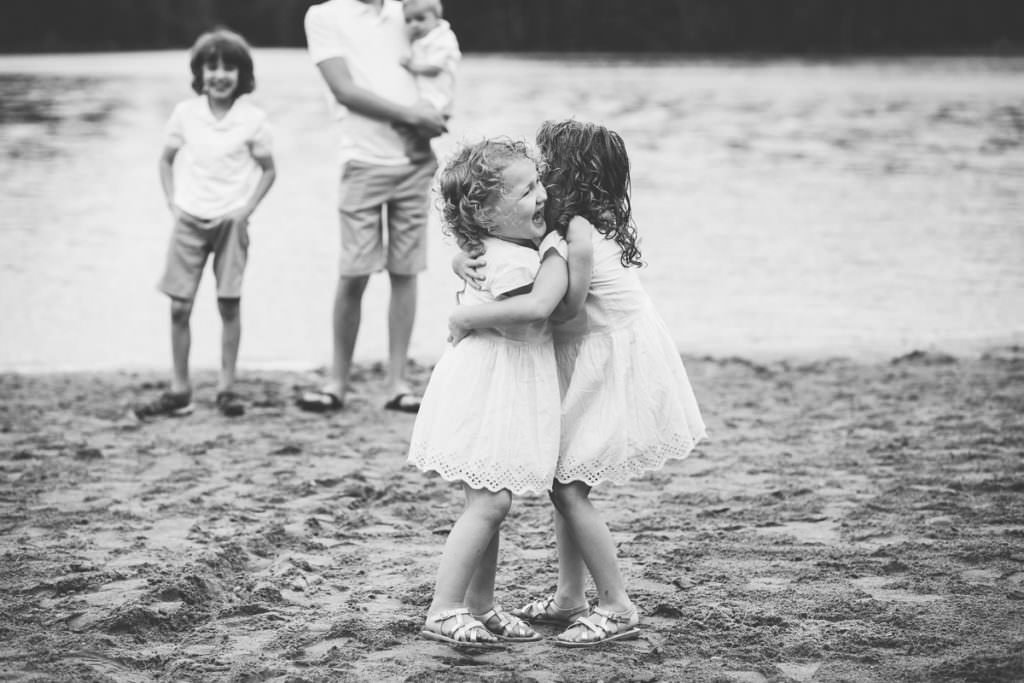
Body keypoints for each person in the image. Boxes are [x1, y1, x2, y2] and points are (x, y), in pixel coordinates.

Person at [449, 119, 707, 647]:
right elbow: (502, 253)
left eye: (546, 171)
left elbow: (569, 317)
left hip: (610, 360)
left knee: (568, 487)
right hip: (594, 357)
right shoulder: (571, 226)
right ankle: (571, 597)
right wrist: (463, 257)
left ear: (571, 175)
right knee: (565, 477)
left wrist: (472, 318)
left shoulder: (577, 236)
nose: (540, 183)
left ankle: (616, 605)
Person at [409, 138, 588, 648]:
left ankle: (480, 605)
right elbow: (532, 319)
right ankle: (444, 608)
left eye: (539, 184)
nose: (543, 195)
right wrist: (558, 256)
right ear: (485, 213)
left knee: (489, 496)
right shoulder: (517, 262)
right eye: (529, 189)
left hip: (487, 385)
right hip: (491, 389)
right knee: (489, 502)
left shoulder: (499, 250)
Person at [298, 0, 448, 415]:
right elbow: (344, 91)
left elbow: (443, 49)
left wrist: (438, 109)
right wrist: (413, 117)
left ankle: (398, 383)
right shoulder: (325, 15)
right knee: (354, 273)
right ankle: (338, 382)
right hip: (362, 162)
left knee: (406, 271)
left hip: (415, 163)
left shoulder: (408, 10)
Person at [134, 28, 276, 419]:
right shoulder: (185, 114)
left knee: (228, 304)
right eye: (211, 66)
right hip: (189, 220)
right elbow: (165, 159)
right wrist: (172, 203)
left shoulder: (254, 120)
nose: (219, 75)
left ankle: (227, 388)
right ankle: (180, 390)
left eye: (229, 67)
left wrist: (245, 210)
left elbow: (268, 170)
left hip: (231, 223)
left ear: (242, 74)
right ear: (199, 72)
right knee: (180, 306)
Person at [399, 0, 460, 118]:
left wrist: (411, 67)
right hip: (423, 93)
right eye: (408, 20)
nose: (414, 24)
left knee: (415, 116)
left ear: (437, 18)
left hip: (437, 95)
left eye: (420, 19)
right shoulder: (419, 38)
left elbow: (435, 68)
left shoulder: (442, 38)